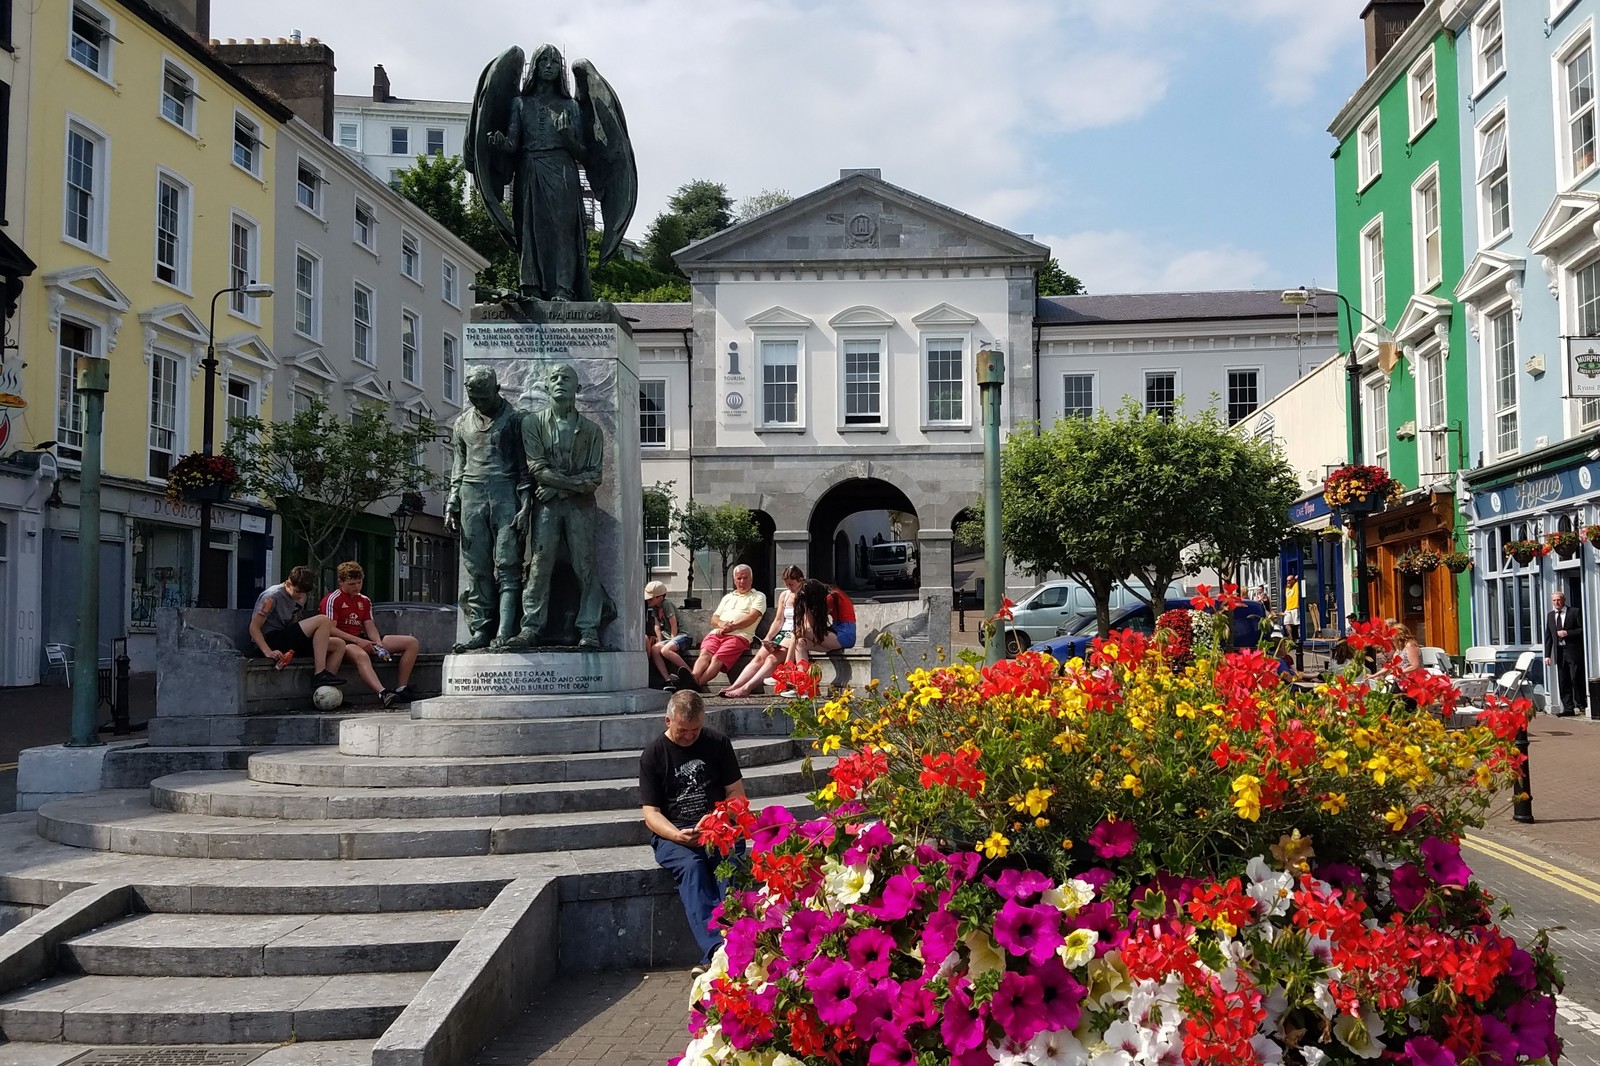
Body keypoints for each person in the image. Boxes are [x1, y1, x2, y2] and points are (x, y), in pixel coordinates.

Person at [639, 690, 746, 967]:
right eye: (682, 730)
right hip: (674, 831)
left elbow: (736, 794)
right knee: (692, 867)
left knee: (727, 862)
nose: (689, 736)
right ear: (667, 721)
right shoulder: (653, 754)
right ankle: (716, 951)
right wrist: (676, 835)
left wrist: (717, 818)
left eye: (695, 730)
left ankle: (737, 940)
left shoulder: (718, 743)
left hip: (717, 824)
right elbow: (651, 813)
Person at [507, 363, 606, 649]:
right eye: (554, 378)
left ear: (578, 388)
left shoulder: (592, 430)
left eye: (567, 378)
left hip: (578, 506)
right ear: (547, 387)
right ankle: (531, 627)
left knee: (585, 566)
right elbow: (537, 467)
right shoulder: (533, 423)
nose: (560, 381)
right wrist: (571, 485)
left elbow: (594, 477)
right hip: (546, 508)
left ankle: (589, 628)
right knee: (539, 566)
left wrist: (558, 488)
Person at [447, 366, 528, 651]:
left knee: (508, 565)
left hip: (506, 492)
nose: (477, 403)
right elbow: (459, 463)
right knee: (477, 568)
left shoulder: (516, 420)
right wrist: (452, 500)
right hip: (471, 494)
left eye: (483, 397)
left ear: (496, 390)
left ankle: (505, 630)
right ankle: (481, 629)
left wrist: (526, 503)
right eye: (473, 398)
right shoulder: (461, 423)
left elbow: (524, 467)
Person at [321, 561, 421, 709]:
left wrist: (377, 641)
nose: (356, 587)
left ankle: (401, 688)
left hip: (362, 638)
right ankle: (383, 693)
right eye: (352, 584)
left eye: (359, 583)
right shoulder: (333, 599)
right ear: (340, 582)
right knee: (361, 655)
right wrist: (358, 641)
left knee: (411, 642)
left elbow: (369, 624)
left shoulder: (364, 600)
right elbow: (329, 629)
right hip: (343, 642)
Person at [249, 565, 347, 688]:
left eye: (303, 593)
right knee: (323, 620)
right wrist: (267, 651)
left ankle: (324, 691)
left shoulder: (302, 596)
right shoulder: (271, 597)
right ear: (288, 583)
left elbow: (295, 627)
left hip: (287, 638)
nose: (300, 596)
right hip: (270, 640)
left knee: (339, 644)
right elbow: (254, 627)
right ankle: (320, 672)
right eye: (297, 591)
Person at [722, 566, 804, 698]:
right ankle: (735, 685)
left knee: (771, 659)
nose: (789, 587)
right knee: (759, 656)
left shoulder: (805, 595)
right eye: (787, 584)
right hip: (783, 633)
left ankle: (746, 688)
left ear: (800, 581)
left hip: (795, 633)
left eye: (792, 584)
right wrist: (769, 637)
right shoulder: (785, 595)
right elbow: (778, 620)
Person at [685, 564, 768, 691]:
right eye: (739, 578)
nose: (742, 582)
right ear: (734, 580)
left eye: (745, 578)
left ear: (751, 579)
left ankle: (696, 685)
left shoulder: (758, 596)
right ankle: (693, 678)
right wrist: (721, 624)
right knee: (705, 654)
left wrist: (732, 627)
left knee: (717, 659)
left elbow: (752, 617)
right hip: (718, 633)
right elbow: (714, 618)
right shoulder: (728, 597)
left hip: (740, 636)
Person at [1545, 589, 1587, 716]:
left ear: (1564, 600)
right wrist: (1547, 655)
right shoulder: (1550, 615)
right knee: (1563, 680)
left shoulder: (1574, 612)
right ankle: (1568, 708)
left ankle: (1581, 704)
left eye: (1558, 600)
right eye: (1554, 600)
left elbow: (1582, 630)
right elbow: (1549, 636)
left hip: (1573, 651)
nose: (1556, 602)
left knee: (1576, 677)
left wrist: (1567, 633)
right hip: (1560, 651)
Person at [794, 581, 858, 660]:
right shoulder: (831, 593)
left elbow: (810, 626)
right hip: (837, 632)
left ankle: (788, 664)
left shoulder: (830, 598)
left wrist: (807, 608)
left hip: (844, 635)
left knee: (803, 632)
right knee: (800, 643)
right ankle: (801, 672)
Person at [646, 580, 692, 686]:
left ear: (660, 597)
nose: (648, 600)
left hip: (682, 636)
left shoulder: (667, 604)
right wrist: (660, 642)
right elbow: (657, 626)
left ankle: (690, 673)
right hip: (669, 638)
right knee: (655, 649)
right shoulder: (655, 608)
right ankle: (667, 679)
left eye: (650, 598)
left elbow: (673, 623)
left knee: (666, 650)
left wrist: (672, 640)